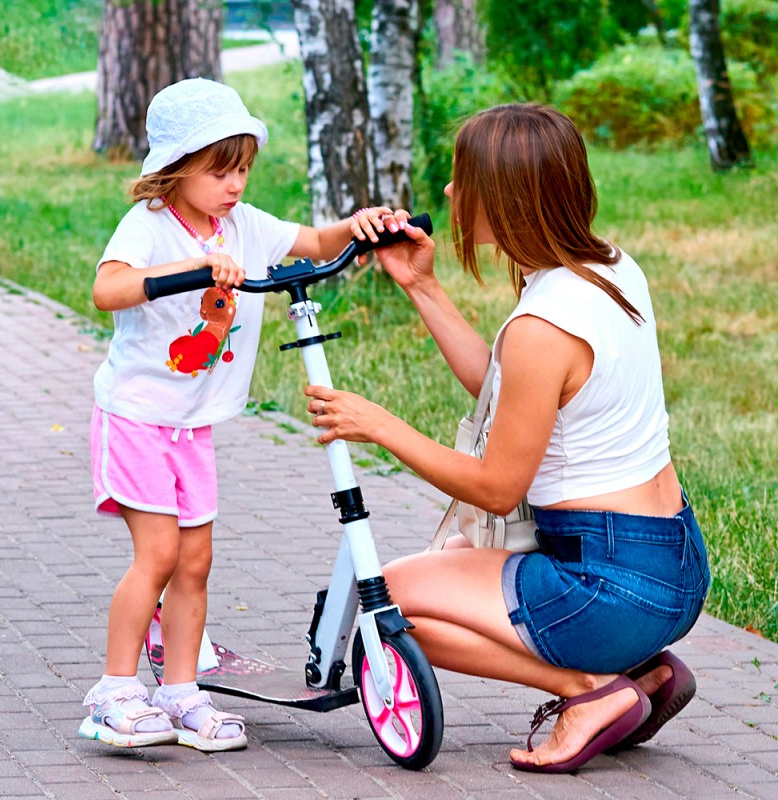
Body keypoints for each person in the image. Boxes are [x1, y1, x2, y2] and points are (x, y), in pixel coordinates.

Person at [305, 103, 711, 773]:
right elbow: (506, 392)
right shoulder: (607, 269)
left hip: (606, 583)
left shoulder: (543, 324)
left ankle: (587, 692)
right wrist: (423, 285)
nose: (448, 193)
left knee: (389, 602)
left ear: (506, 198)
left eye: (462, 180)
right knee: (441, 572)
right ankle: (644, 672)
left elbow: (497, 489)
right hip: (673, 567)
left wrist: (379, 427)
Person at [80, 77, 390, 752]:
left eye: (243, 168)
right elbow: (107, 288)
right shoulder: (150, 226)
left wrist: (362, 226)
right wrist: (192, 269)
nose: (235, 183)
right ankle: (114, 691)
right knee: (158, 554)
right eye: (221, 170)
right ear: (176, 169)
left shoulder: (243, 227)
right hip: (136, 416)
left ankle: (183, 692)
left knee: (196, 562)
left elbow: (313, 238)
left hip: (192, 426)